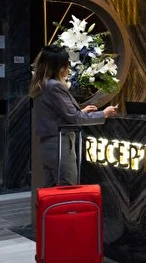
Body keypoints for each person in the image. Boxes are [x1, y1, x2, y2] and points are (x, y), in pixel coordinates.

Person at [30, 45, 118, 187]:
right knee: (67, 188)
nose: (69, 68)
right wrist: (104, 114)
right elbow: (75, 118)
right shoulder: (55, 86)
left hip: (49, 145)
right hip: (60, 145)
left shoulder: (43, 84)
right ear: (61, 67)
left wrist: (81, 112)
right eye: (67, 64)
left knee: (51, 190)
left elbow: (58, 114)